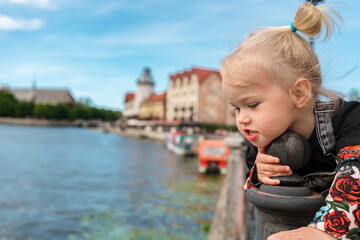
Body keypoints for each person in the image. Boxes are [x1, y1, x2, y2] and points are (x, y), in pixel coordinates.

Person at [220, 2, 360, 240]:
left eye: (252, 104)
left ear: (298, 94)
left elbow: (355, 171)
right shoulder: (259, 143)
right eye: (237, 108)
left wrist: (325, 231)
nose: (242, 118)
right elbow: (251, 188)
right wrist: (259, 173)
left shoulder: (348, 120)